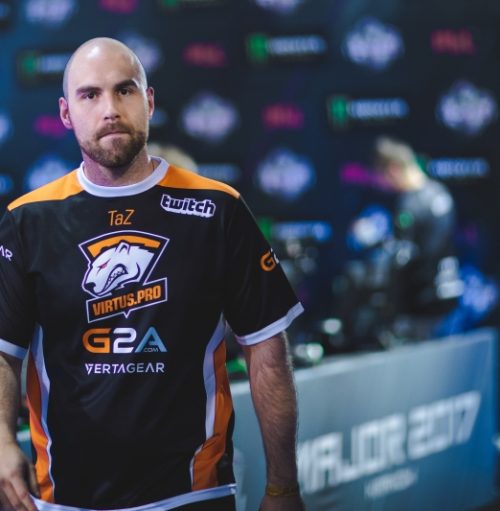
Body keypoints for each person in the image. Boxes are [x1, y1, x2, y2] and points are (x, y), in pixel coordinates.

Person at [0, 38, 305, 511]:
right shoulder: (27, 220)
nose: (110, 109)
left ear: (149, 101)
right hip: (65, 497)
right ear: (65, 113)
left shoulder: (217, 208)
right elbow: (4, 352)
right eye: (89, 95)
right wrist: (2, 442)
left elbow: (266, 348)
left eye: (124, 90)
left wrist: (283, 487)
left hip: (194, 493)